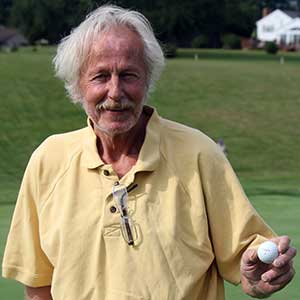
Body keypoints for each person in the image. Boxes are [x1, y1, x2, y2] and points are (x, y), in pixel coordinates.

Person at [2, 5, 296, 300]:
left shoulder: (199, 154)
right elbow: (38, 286)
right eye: (101, 76)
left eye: (129, 75)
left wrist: (260, 276)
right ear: (77, 84)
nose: (115, 92)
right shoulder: (48, 160)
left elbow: (249, 264)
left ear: (148, 79)